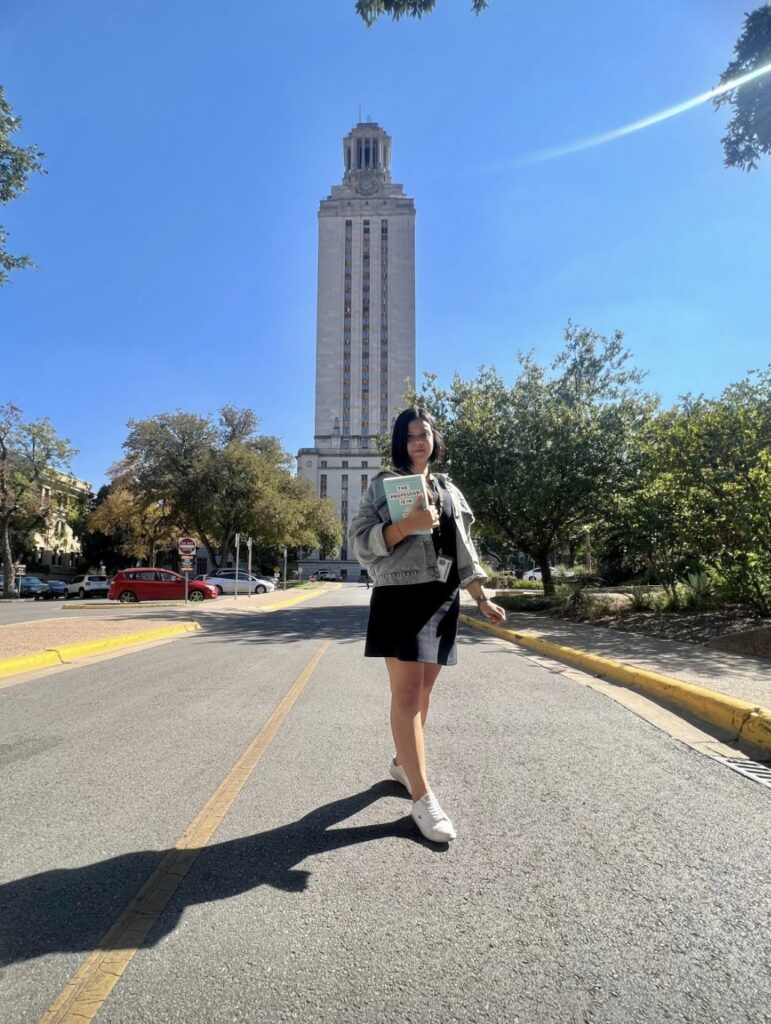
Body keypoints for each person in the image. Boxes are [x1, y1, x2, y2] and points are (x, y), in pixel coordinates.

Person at [349, 407, 506, 843]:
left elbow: (463, 549)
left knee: (425, 692)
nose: (419, 441)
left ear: (435, 439)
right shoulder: (382, 485)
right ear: (401, 442)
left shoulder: (449, 490)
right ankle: (422, 798)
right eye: (411, 435)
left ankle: (402, 765)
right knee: (406, 694)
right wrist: (404, 527)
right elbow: (359, 543)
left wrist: (481, 597)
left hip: (441, 597)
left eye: (425, 434)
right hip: (398, 595)